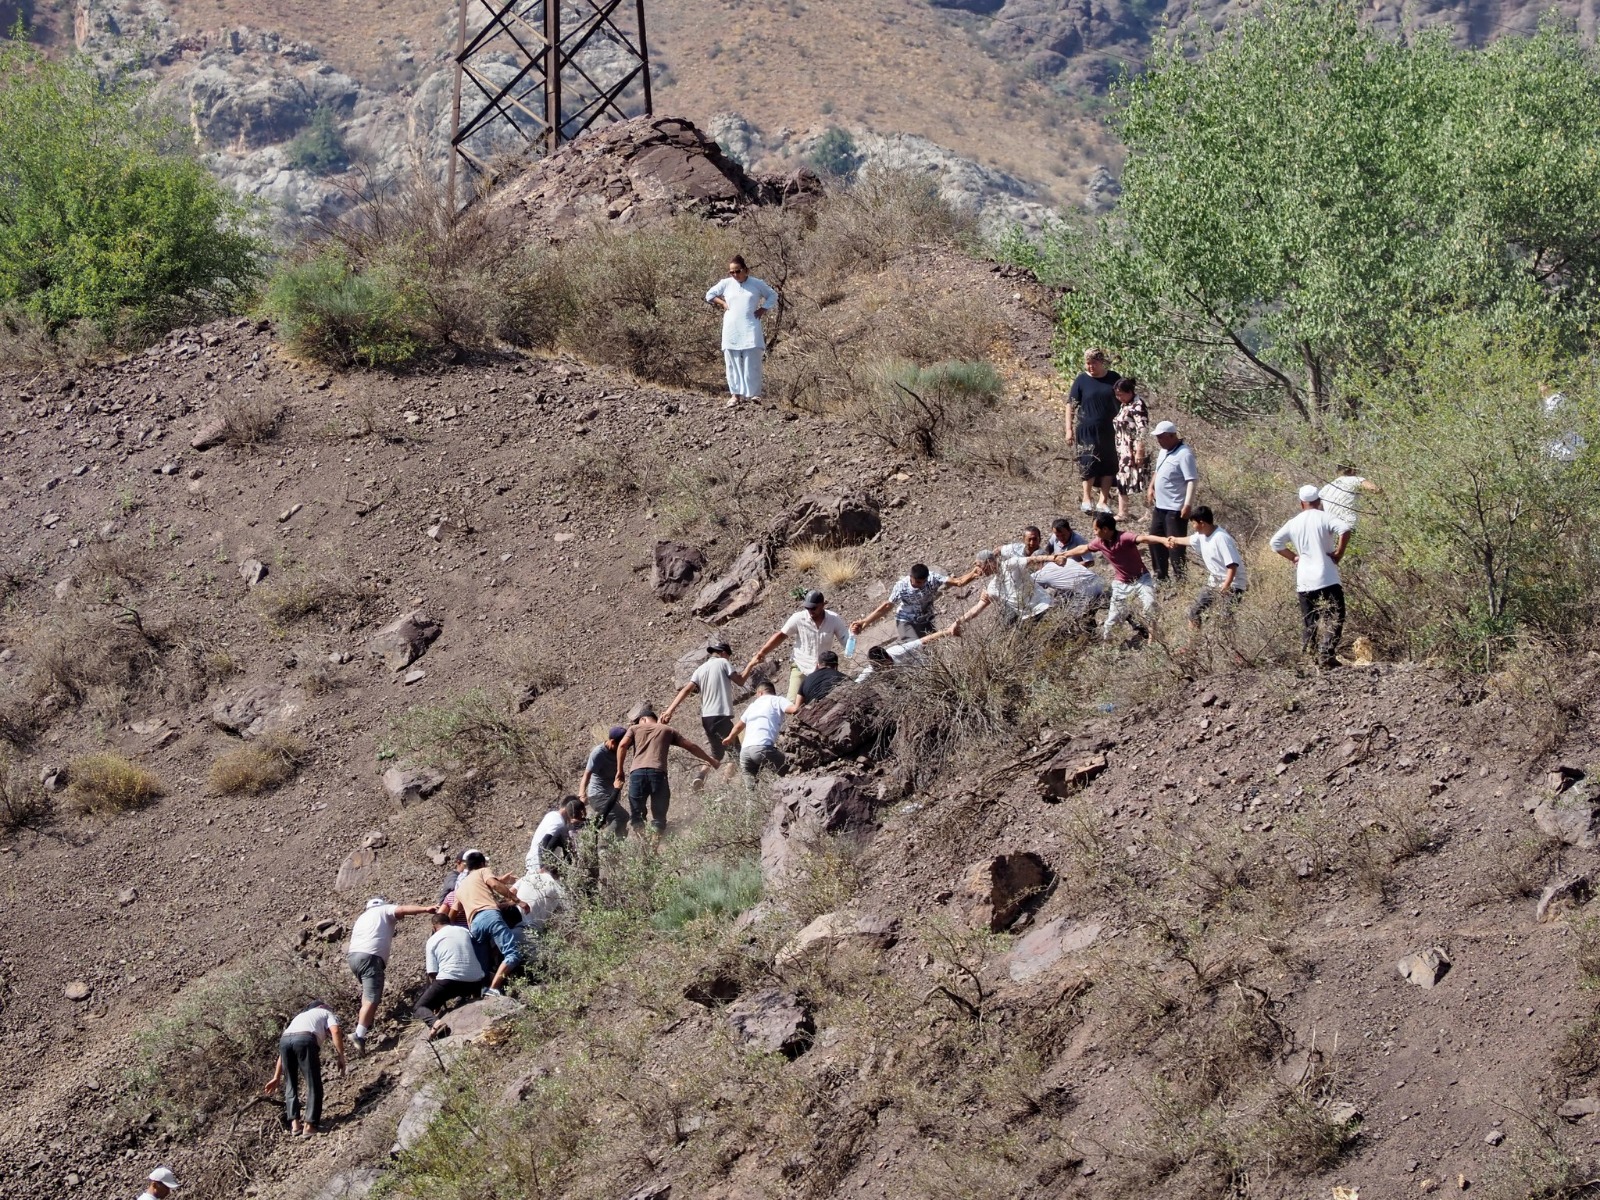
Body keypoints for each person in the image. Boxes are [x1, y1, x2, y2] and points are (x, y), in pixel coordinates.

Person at [1270, 485, 1352, 669]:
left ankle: (1309, 659)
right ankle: (1326, 653)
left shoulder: (1294, 522)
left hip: (1304, 580)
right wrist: (1339, 553)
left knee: (1310, 621)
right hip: (1327, 577)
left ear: (1301, 503)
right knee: (1336, 615)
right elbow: (1345, 529)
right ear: (1319, 501)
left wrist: (1294, 557)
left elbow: (1275, 543)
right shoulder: (1325, 517)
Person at [345, 896, 437, 1053]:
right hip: (370, 957)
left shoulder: (363, 917)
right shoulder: (383, 910)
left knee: (367, 996)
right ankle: (359, 1034)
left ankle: (363, 1025)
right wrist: (425, 908)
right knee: (372, 999)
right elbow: (401, 910)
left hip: (353, 958)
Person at [1058, 512, 1167, 639]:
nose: (1094, 532)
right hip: (1121, 584)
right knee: (1113, 620)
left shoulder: (1124, 537)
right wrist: (1064, 555)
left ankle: (1153, 640)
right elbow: (1084, 548)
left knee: (1150, 605)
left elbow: (1143, 538)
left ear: (1105, 529)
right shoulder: (1100, 542)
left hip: (1142, 579)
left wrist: (1164, 540)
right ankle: (1108, 646)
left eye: (1096, 529)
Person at [614, 708, 719, 836]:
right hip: (658, 775)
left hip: (637, 775)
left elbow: (623, 745)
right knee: (659, 817)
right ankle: (653, 847)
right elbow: (691, 747)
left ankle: (644, 847)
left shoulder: (634, 729)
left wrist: (620, 770)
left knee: (637, 816)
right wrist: (711, 760)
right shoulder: (668, 730)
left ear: (643, 719)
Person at [744, 590, 851, 702]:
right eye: (807, 608)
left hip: (822, 669)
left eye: (813, 608)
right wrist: (763, 652)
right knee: (793, 702)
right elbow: (781, 635)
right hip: (801, 666)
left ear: (823, 605)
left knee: (824, 700)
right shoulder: (798, 618)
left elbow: (845, 639)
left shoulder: (833, 619)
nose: (810, 611)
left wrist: (852, 640)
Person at [660, 641, 744, 784]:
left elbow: (686, 690)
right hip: (721, 716)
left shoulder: (700, 669)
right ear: (724, 653)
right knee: (736, 753)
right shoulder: (723, 662)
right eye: (728, 656)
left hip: (707, 718)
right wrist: (753, 664)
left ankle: (700, 776)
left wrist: (669, 711)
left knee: (716, 753)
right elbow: (740, 681)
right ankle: (725, 785)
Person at [263, 1000, 346, 1137]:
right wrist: (341, 1056)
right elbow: (335, 1030)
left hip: (285, 1041)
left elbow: (283, 1052)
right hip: (305, 1040)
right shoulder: (326, 1012)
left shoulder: (299, 1017)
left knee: (290, 1084)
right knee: (313, 1083)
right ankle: (310, 1125)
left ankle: (295, 1125)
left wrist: (276, 1076)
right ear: (322, 1007)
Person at [705, 255, 778, 403]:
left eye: (737, 271)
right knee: (732, 361)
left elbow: (772, 295)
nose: (734, 275)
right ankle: (735, 395)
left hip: (750, 327)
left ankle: (754, 395)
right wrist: (723, 303)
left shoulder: (756, 284)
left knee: (752, 361)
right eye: (731, 272)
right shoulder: (726, 284)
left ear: (746, 270)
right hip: (731, 327)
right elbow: (710, 295)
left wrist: (763, 309)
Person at [1162, 505, 1247, 629]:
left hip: (1233, 584)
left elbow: (1232, 565)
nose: (1192, 526)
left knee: (1225, 619)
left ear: (1201, 523)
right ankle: (1192, 646)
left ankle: (1231, 645)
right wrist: (1174, 540)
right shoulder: (1201, 535)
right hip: (1214, 582)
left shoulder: (1221, 538)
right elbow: (1189, 540)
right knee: (1193, 612)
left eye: (1193, 523)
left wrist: (1226, 585)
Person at [454, 850, 525, 996]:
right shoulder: (482, 871)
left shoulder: (460, 888)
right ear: (481, 864)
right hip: (490, 915)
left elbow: (454, 910)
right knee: (513, 954)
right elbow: (494, 884)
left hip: (474, 924)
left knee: (482, 966)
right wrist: (518, 900)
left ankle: (483, 992)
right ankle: (494, 988)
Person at [1066, 347, 1121, 515]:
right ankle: (1086, 498)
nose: (1090, 367)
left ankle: (1104, 501)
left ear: (1101, 362)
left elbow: (1125, 398)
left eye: (1094, 363)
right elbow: (1071, 404)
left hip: (1110, 430)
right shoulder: (1082, 380)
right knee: (1087, 461)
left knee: (1109, 464)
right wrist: (1068, 428)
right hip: (1086, 429)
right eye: (1088, 363)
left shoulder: (1114, 378)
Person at [413, 913, 485, 1031]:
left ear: (434, 927)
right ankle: (476, 999)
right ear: (449, 922)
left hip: (449, 981)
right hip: (476, 980)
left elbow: (432, 973)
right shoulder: (464, 930)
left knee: (419, 1007)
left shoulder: (432, 939)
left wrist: (437, 1000)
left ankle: (436, 1024)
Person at [1146, 420, 1198, 583]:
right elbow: (1158, 470)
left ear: (1172, 436)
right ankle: (1161, 576)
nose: (1159, 440)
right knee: (1155, 540)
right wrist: (1151, 486)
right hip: (1160, 506)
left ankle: (1181, 580)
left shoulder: (1184, 454)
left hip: (1175, 508)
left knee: (1175, 545)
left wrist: (1187, 504)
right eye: (1158, 437)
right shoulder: (1163, 452)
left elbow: (1191, 480)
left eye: (1162, 437)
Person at [851, 563, 954, 642]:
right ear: (911, 577)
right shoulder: (901, 586)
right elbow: (887, 606)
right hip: (906, 620)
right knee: (914, 648)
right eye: (918, 582)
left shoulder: (932, 578)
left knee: (933, 649)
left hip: (926, 619)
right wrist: (865, 621)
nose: (922, 584)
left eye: (924, 581)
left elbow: (959, 582)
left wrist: (971, 573)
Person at [958, 546, 1059, 626]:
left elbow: (1033, 559)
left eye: (980, 566)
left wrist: (1054, 558)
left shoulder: (1011, 564)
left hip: (1045, 606)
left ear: (989, 562)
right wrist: (958, 623)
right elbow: (977, 608)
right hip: (1029, 618)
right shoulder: (993, 587)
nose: (979, 570)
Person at [856, 622, 962, 682]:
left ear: (888, 658)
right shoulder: (873, 668)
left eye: (882, 666)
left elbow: (923, 640)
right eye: (877, 667)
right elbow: (858, 683)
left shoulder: (900, 652)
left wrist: (947, 632)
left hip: (921, 668)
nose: (880, 669)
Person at [726, 680, 789, 777]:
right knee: (791, 771)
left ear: (759, 693)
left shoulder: (752, 706)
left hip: (745, 752)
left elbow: (739, 726)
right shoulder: (777, 700)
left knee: (751, 790)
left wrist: (730, 737)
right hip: (762, 748)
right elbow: (793, 709)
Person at [1111, 377, 1150, 520]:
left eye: (1121, 394)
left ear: (1130, 391)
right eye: (1117, 394)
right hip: (1123, 449)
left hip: (1134, 450)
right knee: (1122, 477)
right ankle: (1123, 512)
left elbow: (1143, 429)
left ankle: (1148, 512)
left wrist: (1140, 450)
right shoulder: (1125, 405)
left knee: (1143, 478)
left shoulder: (1138, 405)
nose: (1118, 397)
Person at [579, 727, 628, 837]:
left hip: (611, 795)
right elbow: (587, 774)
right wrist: (582, 794)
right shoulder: (598, 753)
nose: (623, 748)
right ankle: (603, 842)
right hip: (598, 794)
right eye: (620, 745)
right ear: (612, 742)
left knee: (619, 827)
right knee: (622, 816)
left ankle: (614, 850)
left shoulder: (621, 748)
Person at [526, 796, 585, 872]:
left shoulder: (552, 815)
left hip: (533, 860)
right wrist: (543, 866)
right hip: (538, 864)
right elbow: (545, 842)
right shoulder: (558, 821)